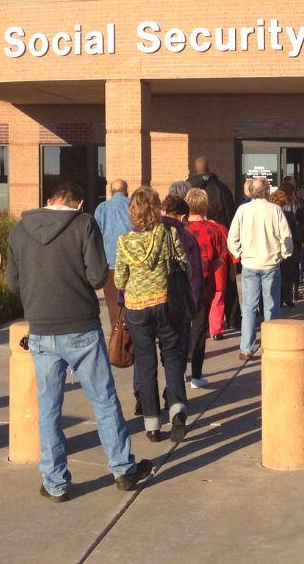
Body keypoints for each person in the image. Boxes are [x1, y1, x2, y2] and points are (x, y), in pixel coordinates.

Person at [5, 182, 152, 501]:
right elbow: (98, 277)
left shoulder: (19, 231)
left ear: (48, 200)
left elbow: (13, 284)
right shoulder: (84, 224)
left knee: (48, 408)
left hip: (41, 329)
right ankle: (123, 469)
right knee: (104, 399)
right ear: (80, 203)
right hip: (81, 328)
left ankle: (55, 483)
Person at [115, 187, 192, 443]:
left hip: (137, 308)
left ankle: (152, 424)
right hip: (165, 303)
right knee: (172, 356)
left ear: (133, 212)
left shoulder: (124, 242)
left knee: (145, 363)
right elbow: (184, 265)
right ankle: (177, 411)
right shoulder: (168, 233)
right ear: (156, 209)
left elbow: (119, 280)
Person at [227, 177, 293, 360]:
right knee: (271, 305)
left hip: (250, 263)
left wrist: (239, 253)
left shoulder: (243, 210)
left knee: (249, 307)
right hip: (271, 263)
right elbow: (286, 237)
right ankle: (271, 344)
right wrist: (284, 254)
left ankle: (246, 348)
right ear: (267, 191)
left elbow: (232, 237)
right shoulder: (275, 210)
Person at [184, 187, 230, 383]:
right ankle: (196, 375)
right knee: (199, 330)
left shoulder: (181, 229)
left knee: (181, 330)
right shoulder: (214, 229)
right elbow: (220, 259)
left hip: (183, 286)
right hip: (204, 285)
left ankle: (179, 372)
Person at [161, 193, 204, 386]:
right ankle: (174, 392)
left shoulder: (148, 233)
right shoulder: (186, 237)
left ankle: (144, 398)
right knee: (176, 351)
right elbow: (194, 275)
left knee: (147, 357)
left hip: (151, 299)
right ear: (184, 217)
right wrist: (194, 304)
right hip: (178, 300)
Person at [92, 179, 131, 340]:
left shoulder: (102, 208)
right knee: (132, 302)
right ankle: (130, 333)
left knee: (113, 304)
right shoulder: (133, 205)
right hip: (132, 263)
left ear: (110, 192)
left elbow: (96, 236)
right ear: (127, 191)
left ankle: (118, 336)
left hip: (110, 264)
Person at [269, 188, 301, 308]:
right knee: (288, 276)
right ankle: (287, 297)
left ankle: (278, 298)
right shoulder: (289, 215)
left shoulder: (269, 216)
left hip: (273, 250)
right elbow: (295, 233)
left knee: (276, 277)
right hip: (287, 249)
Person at [187, 156, 236, 228]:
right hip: (219, 230)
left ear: (194, 168)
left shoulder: (188, 189)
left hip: (192, 229)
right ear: (208, 168)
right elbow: (230, 213)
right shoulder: (222, 188)